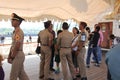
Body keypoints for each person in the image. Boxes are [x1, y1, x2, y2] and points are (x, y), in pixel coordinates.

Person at [7, 13, 29, 80]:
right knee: (21, 74)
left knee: (13, 76)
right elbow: (13, 45)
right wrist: (9, 55)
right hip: (17, 54)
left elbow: (17, 44)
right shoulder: (15, 31)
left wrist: (12, 56)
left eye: (13, 20)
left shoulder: (19, 32)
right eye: (12, 20)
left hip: (18, 54)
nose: (12, 21)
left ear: (18, 22)